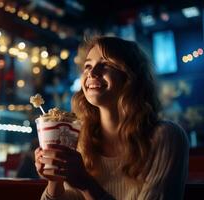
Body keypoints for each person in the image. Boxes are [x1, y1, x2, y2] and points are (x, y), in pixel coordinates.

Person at [35, 36, 189, 200]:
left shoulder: (165, 137)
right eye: (88, 66)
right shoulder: (79, 140)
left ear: (130, 76)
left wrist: (86, 183)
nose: (91, 73)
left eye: (106, 64)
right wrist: (55, 180)